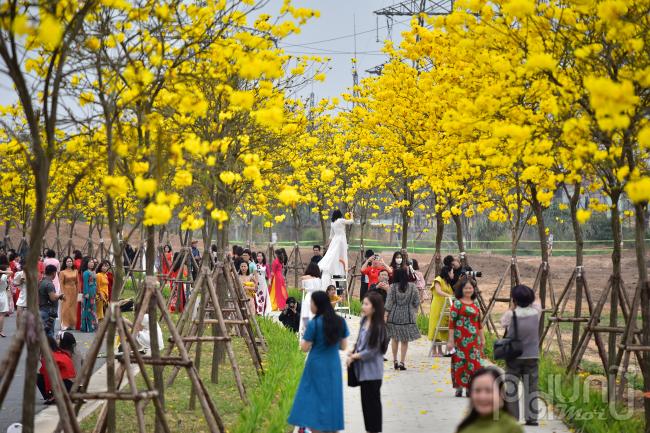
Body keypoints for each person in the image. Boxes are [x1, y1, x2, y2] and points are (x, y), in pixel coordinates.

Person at [288, 291, 349, 432]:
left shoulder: (314, 323)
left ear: (318, 305)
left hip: (315, 365)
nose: (310, 305)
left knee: (313, 400)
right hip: (333, 365)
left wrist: (307, 338)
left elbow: (304, 347)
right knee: (331, 399)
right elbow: (343, 346)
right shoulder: (340, 322)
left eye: (312, 303)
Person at [347, 291, 388, 433]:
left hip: (373, 373)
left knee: (373, 407)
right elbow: (360, 342)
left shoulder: (379, 327)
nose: (363, 306)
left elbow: (373, 351)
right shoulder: (364, 321)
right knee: (366, 406)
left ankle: (375, 430)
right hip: (362, 372)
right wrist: (352, 351)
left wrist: (355, 356)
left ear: (374, 307)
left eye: (366, 304)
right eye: (363, 303)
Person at [501, 285, 541, 426]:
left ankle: (512, 418)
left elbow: (503, 324)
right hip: (532, 356)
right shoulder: (536, 312)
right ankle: (532, 418)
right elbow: (537, 302)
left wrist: (513, 307)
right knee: (531, 386)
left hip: (513, 356)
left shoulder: (510, 315)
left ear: (515, 300)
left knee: (511, 386)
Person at [448, 276, 487, 397]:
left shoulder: (475, 304)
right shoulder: (457, 304)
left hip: (473, 340)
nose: (468, 290)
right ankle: (459, 387)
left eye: (470, 288)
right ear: (461, 289)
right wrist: (450, 340)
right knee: (460, 362)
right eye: (466, 288)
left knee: (473, 363)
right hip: (459, 340)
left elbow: (479, 323)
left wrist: (483, 338)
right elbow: (451, 323)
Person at [455, 367, 523, 433]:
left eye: (489, 391)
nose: (482, 397)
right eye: (477, 391)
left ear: (501, 394)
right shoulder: (464, 428)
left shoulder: (511, 428)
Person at [385, 268, 420, 370]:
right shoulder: (413, 287)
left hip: (394, 316)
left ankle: (395, 360)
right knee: (405, 340)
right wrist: (414, 311)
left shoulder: (392, 287)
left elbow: (389, 303)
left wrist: (385, 316)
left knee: (395, 338)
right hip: (408, 316)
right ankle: (402, 362)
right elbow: (417, 302)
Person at [318, 209, 354, 290]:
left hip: (335, 241)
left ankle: (334, 278)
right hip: (341, 241)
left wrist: (328, 245)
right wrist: (351, 214)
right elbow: (351, 221)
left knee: (334, 257)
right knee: (341, 258)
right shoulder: (340, 220)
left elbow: (331, 236)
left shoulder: (333, 223)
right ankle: (339, 283)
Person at [428, 264, 455, 356]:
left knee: (442, 327)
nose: (453, 274)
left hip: (445, 306)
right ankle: (434, 351)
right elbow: (439, 291)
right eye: (452, 272)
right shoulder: (438, 280)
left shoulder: (447, 283)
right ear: (447, 272)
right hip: (437, 305)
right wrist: (449, 296)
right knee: (435, 326)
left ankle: (440, 350)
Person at [40, 265, 64, 337]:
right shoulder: (49, 284)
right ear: (54, 273)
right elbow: (53, 298)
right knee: (49, 333)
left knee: (43, 333)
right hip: (48, 311)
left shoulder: (41, 282)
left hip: (41, 308)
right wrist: (60, 295)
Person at [299, 262, 321, 336]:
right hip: (316, 297)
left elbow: (301, 288)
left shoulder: (305, 278)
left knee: (306, 313)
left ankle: (305, 330)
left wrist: (304, 288)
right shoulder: (319, 279)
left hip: (308, 297)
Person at [59, 257, 79, 330]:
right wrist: (62, 293)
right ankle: (64, 324)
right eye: (68, 261)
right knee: (65, 307)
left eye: (70, 261)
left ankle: (71, 324)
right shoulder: (62, 272)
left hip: (74, 290)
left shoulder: (75, 271)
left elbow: (77, 282)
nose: (69, 262)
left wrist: (78, 291)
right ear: (65, 263)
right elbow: (61, 283)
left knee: (73, 308)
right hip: (66, 290)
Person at [80, 258, 97, 333]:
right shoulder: (86, 273)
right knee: (87, 309)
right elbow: (85, 284)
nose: (91, 263)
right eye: (90, 262)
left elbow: (95, 282)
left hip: (93, 292)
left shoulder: (93, 272)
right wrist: (86, 293)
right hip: (88, 292)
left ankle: (92, 326)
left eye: (92, 262)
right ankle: (86, 327)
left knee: (92, 309)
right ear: (87, 263)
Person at [0, 265, 10, 337]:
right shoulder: (4, 277)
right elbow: (11, 272)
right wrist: (3, 272)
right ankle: (1, 331)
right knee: (1, 315)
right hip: (2, 295)